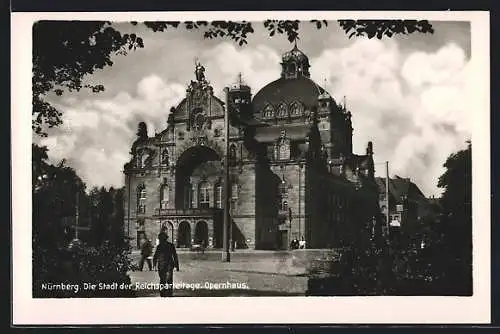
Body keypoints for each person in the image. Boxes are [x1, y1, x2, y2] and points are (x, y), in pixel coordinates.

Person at [153, 232, 179, 297]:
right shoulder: (171, 245)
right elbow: (175, 256)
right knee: (169, 279)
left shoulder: (159, 246)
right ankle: (169, 293)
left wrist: (154, 265)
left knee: (162, 279)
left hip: (162, 265)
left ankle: (162, 293)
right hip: (169, 265)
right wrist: (177, 265)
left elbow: (155, 256)